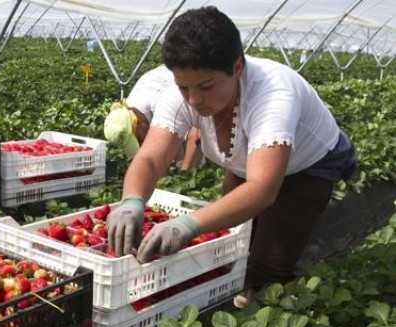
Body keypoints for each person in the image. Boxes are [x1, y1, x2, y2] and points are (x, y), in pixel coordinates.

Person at [106, 6, 356, 307]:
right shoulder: (183, 96)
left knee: (268, 264)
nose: (194, 100)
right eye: (183, 87)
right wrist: (132, 202)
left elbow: (263, 189)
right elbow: (149, 159)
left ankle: (264, 304)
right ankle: (232, 294)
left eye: (206, 86)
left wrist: (187, 225)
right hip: (245, 162)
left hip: (308, 167)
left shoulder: (273, 95)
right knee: (234, 239)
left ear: (237, 67)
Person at [103, 65, 203, 171]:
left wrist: (185, 171)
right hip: (170, 79)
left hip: (198, 77)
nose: (141, 144)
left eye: (139, 140)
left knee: (194, 156)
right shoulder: (131, 106)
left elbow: (197, 132)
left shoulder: (164, 103)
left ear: (141, 124)